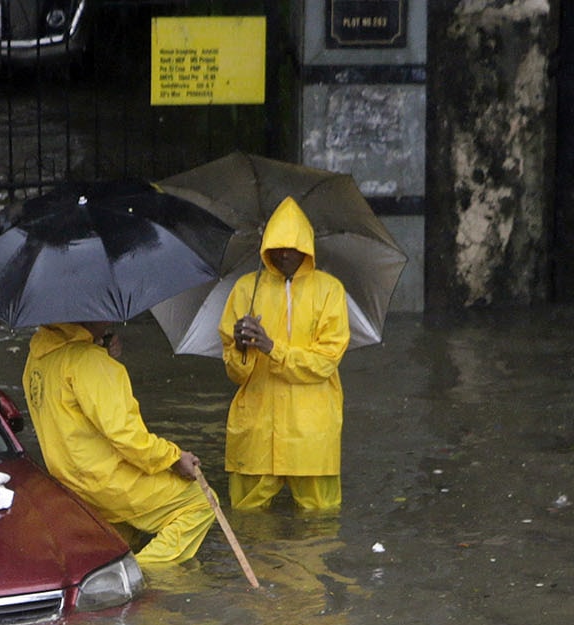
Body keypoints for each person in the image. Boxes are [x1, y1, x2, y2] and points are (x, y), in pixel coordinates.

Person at [22, 321, 216, 566]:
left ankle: (114, 564)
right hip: (110, 482)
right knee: (201, 502)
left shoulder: (37, 358)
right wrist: (174, 458)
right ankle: (144, 575)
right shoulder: (90, 362)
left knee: (120, 541)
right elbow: (128, 437)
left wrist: (98, 347)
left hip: (71, 482)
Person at [219, 196, 350, 512]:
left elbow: (325, 362)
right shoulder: (246, 289)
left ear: (307, 249)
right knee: (247, 518)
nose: (284, 254)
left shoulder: (330, 291)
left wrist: (271, 348)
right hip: (257, 428)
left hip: (311, 432)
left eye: (293, 247)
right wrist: (238, 347)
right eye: (277, 246)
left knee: (321, 520)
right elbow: (235, 373)